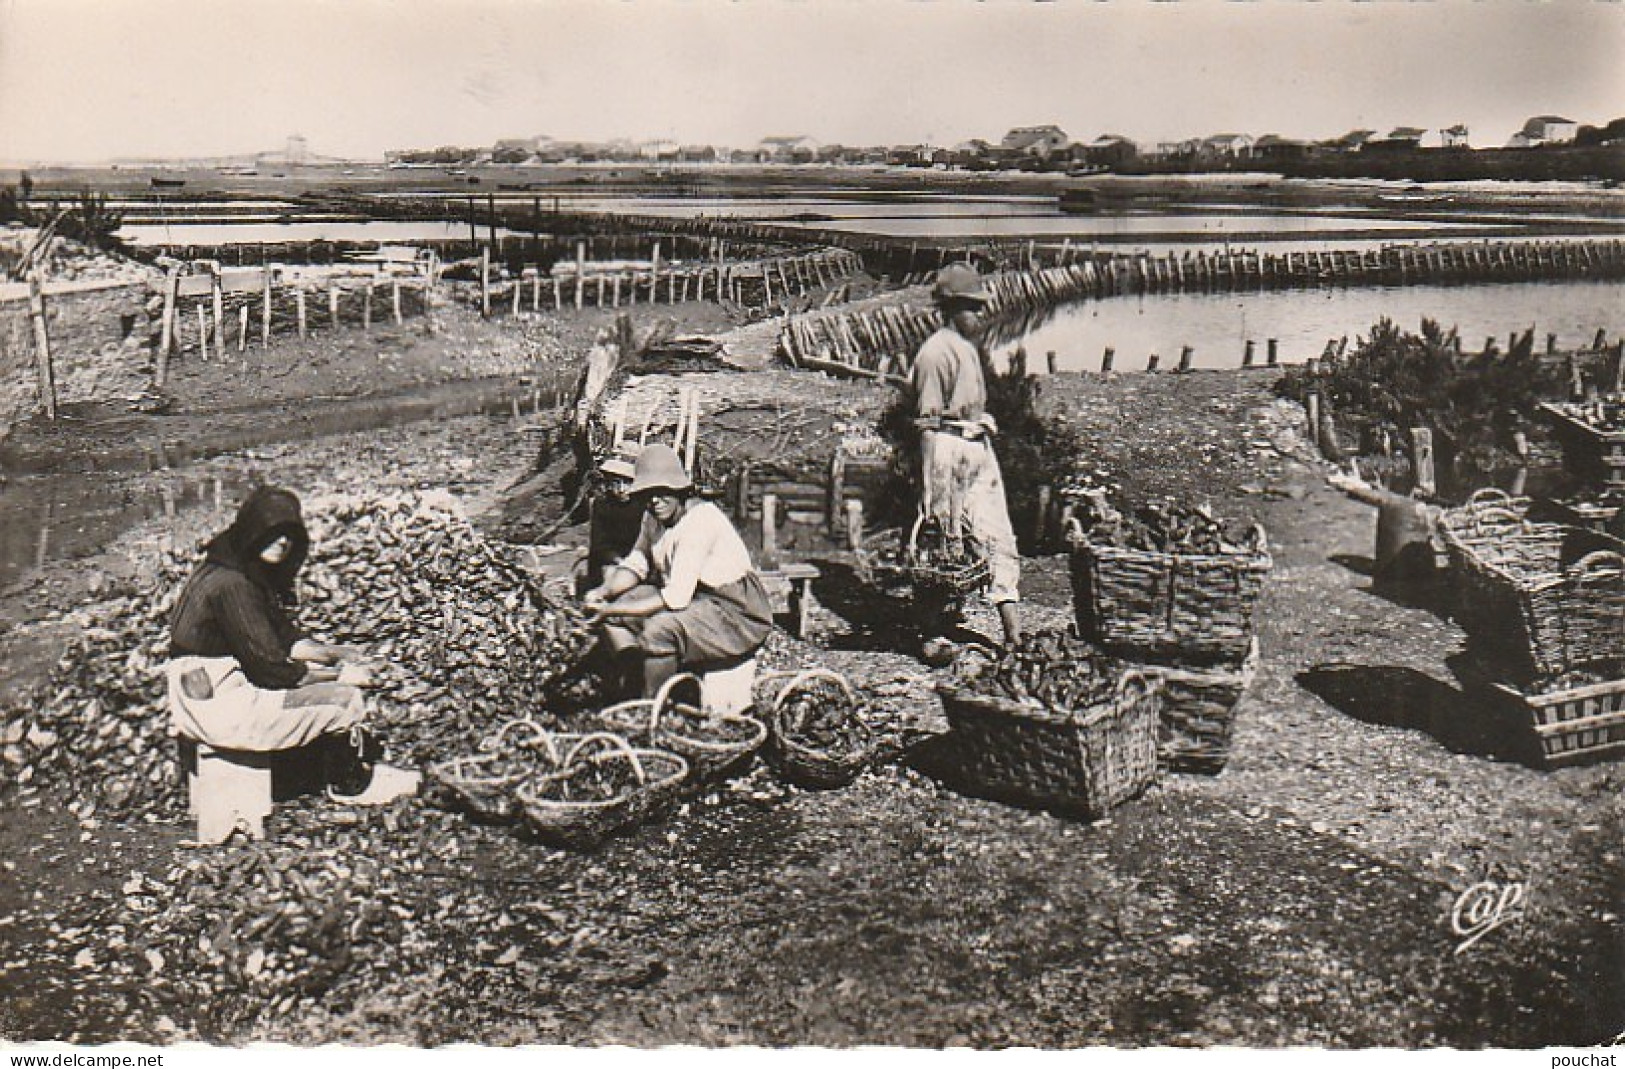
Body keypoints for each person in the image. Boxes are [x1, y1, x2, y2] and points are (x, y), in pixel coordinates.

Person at [166, 485, 417, 805]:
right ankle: (350, 785)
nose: (283, 542)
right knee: (343, 701)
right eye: (273, 533)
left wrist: (347, 655)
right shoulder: (233, 587)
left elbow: (287, 642)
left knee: (321, 687)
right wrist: (342, 675)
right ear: (253, 532)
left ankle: (311, 773)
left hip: (205, 694)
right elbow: (275, 668)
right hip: (221, 706)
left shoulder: (227, 567)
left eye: (289, 535)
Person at [583, 444, 774, 698]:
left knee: (660, 630)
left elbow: (676, 597)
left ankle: (653, 705)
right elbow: (637, 563)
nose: (655, 500)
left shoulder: (700, 521)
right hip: (696, 599)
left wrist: (611, 608)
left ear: (680, 490)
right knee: (618, 612)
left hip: (734, 610)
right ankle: (634, 677)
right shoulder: (653, 517)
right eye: (648, 493)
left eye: (663, 492)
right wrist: (603, 592)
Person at [910, 262, 1022, 648]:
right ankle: (932, 629)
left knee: (996, 534)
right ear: (951, 308)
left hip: (976, 447)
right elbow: (927, 422)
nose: (979, 314)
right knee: (944, 538)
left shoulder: (967, 349)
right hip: (947, 449)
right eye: (972, 307)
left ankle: (1012, 635)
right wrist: (928, 483)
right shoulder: (935, 353)